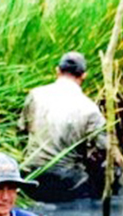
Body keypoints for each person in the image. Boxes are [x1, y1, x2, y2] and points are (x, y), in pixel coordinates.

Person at [19, 51, 109, 202]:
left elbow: (21, 131)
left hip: (31, 177)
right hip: (66, 182)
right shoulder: (90, 109)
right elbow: (102, 151)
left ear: (57, 71)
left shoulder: (35, 95)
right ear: (84, 75)